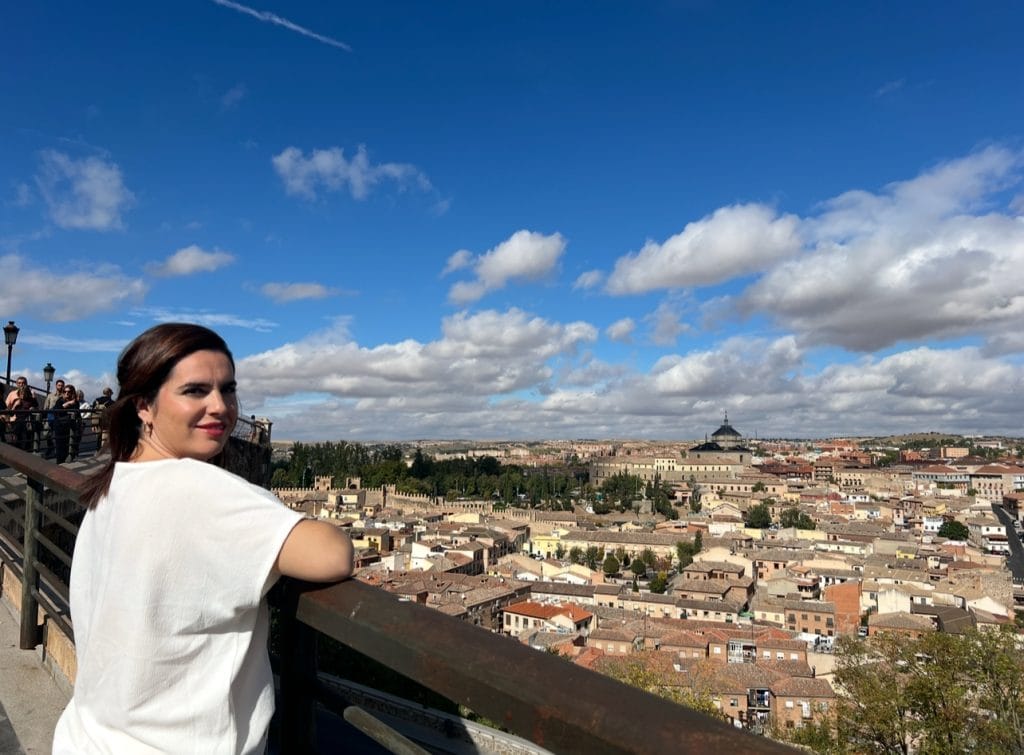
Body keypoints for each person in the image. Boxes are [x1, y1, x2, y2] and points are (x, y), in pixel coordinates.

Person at [52, 323, 354, 754]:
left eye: (227, 390)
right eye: (195, 390)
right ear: (144, 406)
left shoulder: (118, 481)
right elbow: (332, 554)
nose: (221, 407)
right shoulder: (199, 489)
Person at [51, 383, 79, 464]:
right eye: (65, 391)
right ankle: (59, 464)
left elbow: (77, 414)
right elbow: (56, 411)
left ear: (72, 392)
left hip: (70, 427)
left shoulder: (75, 402)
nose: (66, 393)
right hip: (60, 426)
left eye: (69, 392)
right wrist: (67, 404)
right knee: (60, 447)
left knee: (68, 447)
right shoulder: (60, 400)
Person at [5, 384, 37, 451]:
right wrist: (15, 405)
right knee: (16, 441)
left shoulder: (31, 400)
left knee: (25, 441)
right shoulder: (18, 401)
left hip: (26, 423)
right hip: (17, 423)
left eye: (24, 393)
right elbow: (11, 413)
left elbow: (36, 407)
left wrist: (32, 408)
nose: (22, 395)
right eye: (21, 393)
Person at [42, 378, 65, 458]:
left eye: (62, 385)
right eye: (59, 385)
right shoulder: (50, 395)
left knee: (56, 435)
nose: (60, 387)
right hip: (50, 417)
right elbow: (46, 407)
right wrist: (44, 418)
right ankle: (50, 446)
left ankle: (56, 450)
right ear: (56, 386)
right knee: (46, 434)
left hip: (59, 418)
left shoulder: (64, 396)